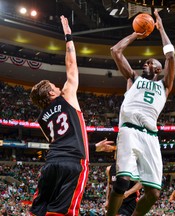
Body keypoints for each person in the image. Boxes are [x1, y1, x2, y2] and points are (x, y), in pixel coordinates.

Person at [29, 16, 115, 216]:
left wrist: (93, 147)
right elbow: (71, 65)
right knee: (65, 212)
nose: (58, 87)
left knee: (39, 210)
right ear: (51, 93)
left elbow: (63, 140)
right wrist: (68, 36)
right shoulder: (67, 95)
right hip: (73, 164)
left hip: (50, 165)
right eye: (54, 87)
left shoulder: (42, 119)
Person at [106, 9, 175, 216]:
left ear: (158, 69)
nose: (146, 63)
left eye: (150, 62)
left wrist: (161, 28)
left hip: (151, 136)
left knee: (154, 193)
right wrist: (137, 34)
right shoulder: (133, 79)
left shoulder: (165, 84)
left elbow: (170, 55)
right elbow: (115, 51)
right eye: (145, 62)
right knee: (122, 183)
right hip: (129, 130)